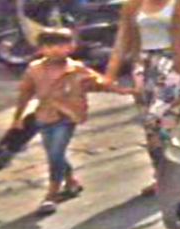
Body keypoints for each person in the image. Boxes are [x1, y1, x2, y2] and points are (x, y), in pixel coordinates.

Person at [10, 27, 134, 215]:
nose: (55, 50)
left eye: (61, 46)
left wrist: (124, 90)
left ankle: (51, 194)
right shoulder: (34, 69)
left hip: (67, 117)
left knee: (55, 153)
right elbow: (25, 94)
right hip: (44, 116)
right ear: (41, 48)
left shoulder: (76, 69)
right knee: (55, 153)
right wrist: (17, 118)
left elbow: (99, 83)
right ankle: (71, 182)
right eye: (49, 46)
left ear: (71, 47)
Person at [105, 0, 180, 196]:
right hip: (143, 66)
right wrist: (110, 74)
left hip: (173, 64)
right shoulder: (132, 5)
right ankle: (161, 176)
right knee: (149, 126)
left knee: (161, 120)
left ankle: (177, 174)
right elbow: (122, 41)